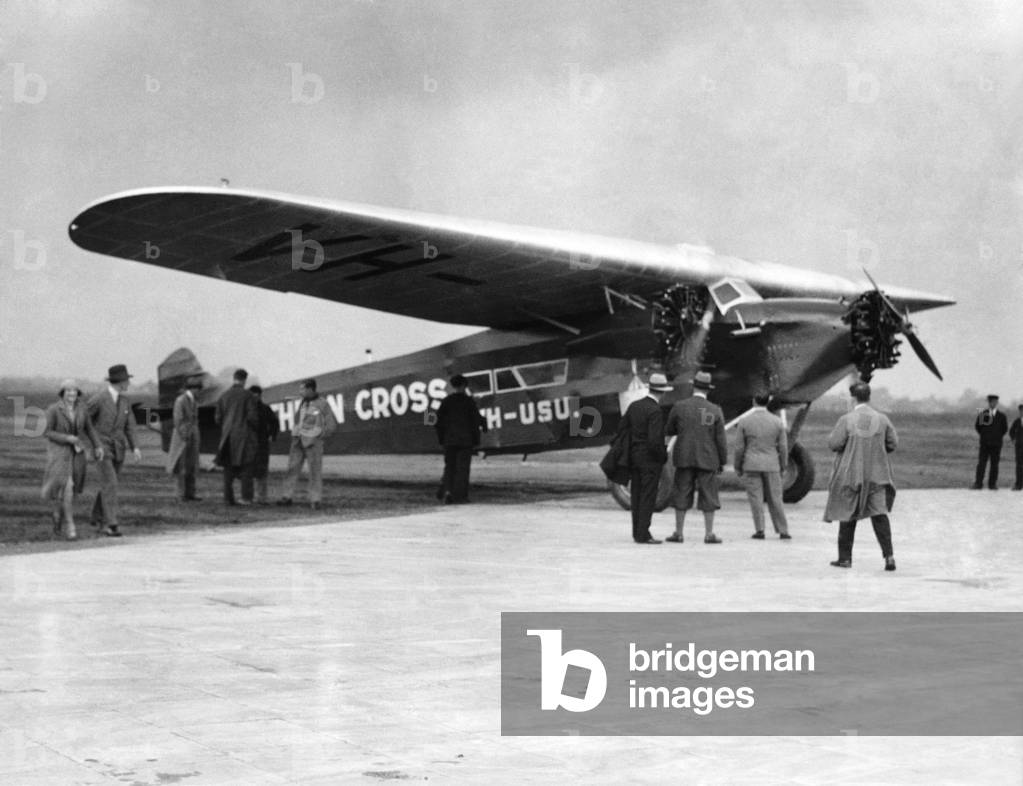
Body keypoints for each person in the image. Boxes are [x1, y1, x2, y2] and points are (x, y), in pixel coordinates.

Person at [823, 381, 898, 571]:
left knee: (847, 515)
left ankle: (845, 559)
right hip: (877, 476)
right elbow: (892, 443)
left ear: (853, 398)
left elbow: (834, 444)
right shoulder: (883, 419)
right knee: (880, 515)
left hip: (851, 475)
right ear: (869, 397)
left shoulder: (846, 419)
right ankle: (889, 557)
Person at [665, 371, 727, 544]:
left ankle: (678, 533)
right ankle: (709, 534)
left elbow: (669, 429)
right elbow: (721, 441)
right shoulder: (715, 410)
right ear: (708, 390)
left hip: (684, 458)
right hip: (708, 459)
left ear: (694, 386)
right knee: (709, 496)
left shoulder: (679, 406)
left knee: (681, 494)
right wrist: (721, 461)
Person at [614, 372, 672, 544]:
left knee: (637, 495)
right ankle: (644, 534)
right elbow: (655, 441)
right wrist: (662, 456)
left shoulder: (634, 406)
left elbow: (622, 429)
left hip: (634, 457)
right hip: (649, 460)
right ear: (662, 392)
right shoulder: (655, 411)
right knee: (648, 497)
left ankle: (636, 532)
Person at [42, 379, 102, 540]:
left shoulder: (82, 410)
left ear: (78, 393)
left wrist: (98, 446)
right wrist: (66, 438)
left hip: (77, 453)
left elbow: (89, 429)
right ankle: (71, 526)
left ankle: (57, 513)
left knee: (73, 490)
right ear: (62, 393)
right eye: (68, 391)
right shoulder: (53, 410)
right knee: (67, 486)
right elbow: (47, 432)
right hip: (60, 453)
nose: (71, 394)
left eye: (74, 391)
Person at [88, 364, 142, 537]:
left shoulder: (125, 401)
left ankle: (97, 516)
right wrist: (91, 444)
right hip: (102, 448)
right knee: (110, 483)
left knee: (108, 484)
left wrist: (136, 447)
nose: (129, 383)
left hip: (119, 449)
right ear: (120, 382)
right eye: (127, 380)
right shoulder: (99, 399)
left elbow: (130, 426)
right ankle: (109, 524)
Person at [734, 393, 791, 540]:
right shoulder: (777, 422)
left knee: (755, 499)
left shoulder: (745, 421)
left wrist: (738, 466)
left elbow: (739, 448)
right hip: (772, 464)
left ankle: (760, 530)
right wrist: (783, 465)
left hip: (751, 464)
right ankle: (783, 530)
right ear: (768, 402)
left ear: (754, 401)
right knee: (776, 498)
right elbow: (783, 447)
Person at [278, 379, 337, 509]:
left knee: (315, 471)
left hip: (313, 443)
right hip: (298, 441)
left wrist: (318, 436)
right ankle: (286, 496)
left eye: (302, 389)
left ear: (311, 389)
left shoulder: (323, 404)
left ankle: (315, 500)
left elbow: (331, 425)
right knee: (292, 468)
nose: (300, 392)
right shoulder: (303, 403)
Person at [434, 374, 487, 504]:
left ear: (453, 386)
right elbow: (477, 418)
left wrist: (441, 438)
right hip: (465, 441)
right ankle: (461, 496)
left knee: (449, 467)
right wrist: (484, 427)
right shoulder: (468, 401)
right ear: (464, 386)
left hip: (449, 441)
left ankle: (447, 492)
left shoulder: (446, 401)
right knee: (462, 469)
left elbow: (436, 420)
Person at [215, 368, 258, 506]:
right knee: (246, 468)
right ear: (244, 380)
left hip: (227, 438)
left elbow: (218, 418)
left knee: (228, 470)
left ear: (234, 378)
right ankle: (246, 498)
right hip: (244, 438)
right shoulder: (248, 396)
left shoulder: (224, 396)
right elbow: (252, 417)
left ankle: (228, 498)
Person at [167, 374, 203, 501]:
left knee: (191, 466)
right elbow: (178, 420)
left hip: (191, 437)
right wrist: (185, 436)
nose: (200, 392)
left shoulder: (193, 401)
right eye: (199, 389)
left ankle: (190, 493)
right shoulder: (181, 401)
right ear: (194, 389)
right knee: (180, 467)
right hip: (183, 439)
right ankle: (180, 494)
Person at [250, 384, 280, 504]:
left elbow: (274, 422)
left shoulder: (264, 409)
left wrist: (272, 435)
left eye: (256, 396)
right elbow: (274, 422)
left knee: (261, 471)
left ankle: (260, 497)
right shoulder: (263, 408)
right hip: (254, 443)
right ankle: (254, 496)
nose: (255, 398)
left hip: (260, 443)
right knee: (252, 471)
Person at [972, 394, 1008, 490]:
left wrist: (996, 437)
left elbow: (1004, 429)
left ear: (997, 403)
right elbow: (978, 427)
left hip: (996, 444)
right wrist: (984, 436)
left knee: (994, 465)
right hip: (984, 444)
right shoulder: (983, 414)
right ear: (989, 403)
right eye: (991, 402)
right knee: (981, 464)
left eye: (995, 402)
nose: (993, 403)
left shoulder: (1002, 416)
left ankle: (992, 484)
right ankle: (978, 484)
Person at [1010, 404, 1023, 491]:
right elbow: (1011, 431)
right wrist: (1013, 439)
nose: (1022, 412)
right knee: (1019, 466)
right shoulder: (1017, 421)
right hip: (1019, 447)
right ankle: (1018, 484)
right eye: (1021, 411)